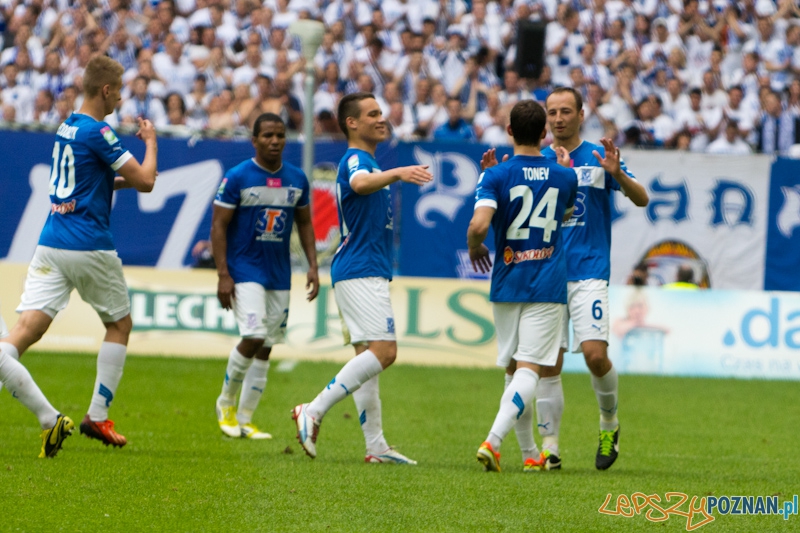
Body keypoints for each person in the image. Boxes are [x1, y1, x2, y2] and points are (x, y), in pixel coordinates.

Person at [0, 56, 158, 456]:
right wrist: (150, 142)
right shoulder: (98, 131)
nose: (120, 98)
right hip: (87, 244)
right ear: (106, 90)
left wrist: (117, 185)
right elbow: (146, 181)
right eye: (118, 91)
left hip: (51, 241)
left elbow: (87, 182)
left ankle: (49, 418)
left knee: (23, 332)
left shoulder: (67, 125)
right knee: (119, 325)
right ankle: (97, 416)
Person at [291, 92, 432, 464]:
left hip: (360, 269)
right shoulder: (357, 160)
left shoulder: (368, 161)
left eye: (381, 112)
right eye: (372, 114)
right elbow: (358, 183)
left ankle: (376, 446)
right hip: (360, 270)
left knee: (366, 359)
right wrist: (398, 173)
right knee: (384, 352)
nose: (381, 118)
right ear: (351, 123)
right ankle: (313, 410)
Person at [531, 87, 649, 471]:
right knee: (549, 362)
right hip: (548, 273)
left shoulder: (600, 158)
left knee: (596, 356)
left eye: (566, 111)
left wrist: (618, 174)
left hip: (589, 272)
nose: (558, 118)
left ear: (581, 115)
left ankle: (609, 424)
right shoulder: (539, 161)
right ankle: (550, 448)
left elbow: (642, 198)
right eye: (552, 112)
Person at [468, 99, 577, 473]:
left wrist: (475, 246)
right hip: (546, 284)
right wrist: (563, 171)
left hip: (507, 282)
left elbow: (479, 226)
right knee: (529, 371)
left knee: (514, 371)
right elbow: (564, 213)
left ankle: (530, 454)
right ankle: (493, 441)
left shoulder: (495, 176)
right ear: (544, 133)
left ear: (509, 131)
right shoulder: (565, 176)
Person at [212, 113, 319, 440]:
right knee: (254, 335)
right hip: (245, 269)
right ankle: (225, 404)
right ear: (254, 140)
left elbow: (304, 223)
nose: (275, 141)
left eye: (280, 135)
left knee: (267, 345)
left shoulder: (297, 178)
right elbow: (218, 226)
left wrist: (313, 266)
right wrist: (223, 274)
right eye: (268, 135)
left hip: (279, 271)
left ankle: (245, 419)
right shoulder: (237, 177)